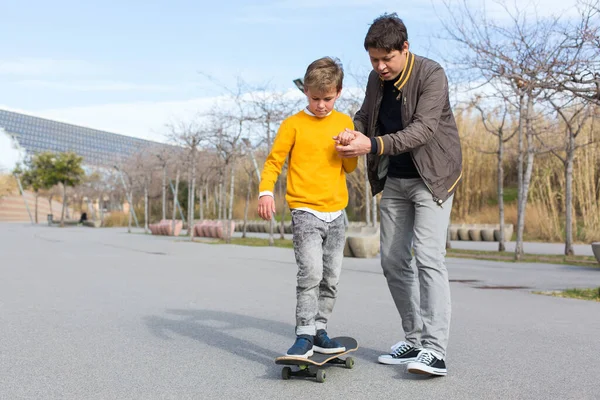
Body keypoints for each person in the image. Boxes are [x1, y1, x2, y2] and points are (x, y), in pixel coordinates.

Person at [334, 13, 462, 376]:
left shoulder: (431, 75)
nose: (379, 66)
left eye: (386, 58)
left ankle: (435, 350)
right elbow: (363, 116)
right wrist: (349, 133)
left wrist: (371, 145)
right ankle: (415, 338)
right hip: (396, 180)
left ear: (405, 49)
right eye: (374, 59)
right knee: (392, 260)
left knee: (428, 257)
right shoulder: (377, 80)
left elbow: (422, 129)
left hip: (433, 178)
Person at [258, 57, 358, 358]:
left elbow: (350, 167)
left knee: (331, 277)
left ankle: (319, 330)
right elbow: (274, 161)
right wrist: (265, 192)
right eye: (315, 99)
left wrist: (347, 145)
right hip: (305, 212)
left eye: (328, 99)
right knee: (311, 273)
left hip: (337, 214)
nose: (322, 105)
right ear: (306, 93)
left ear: (338, 93)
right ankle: (303, 333)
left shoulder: (344, 123)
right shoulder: (293, 125)